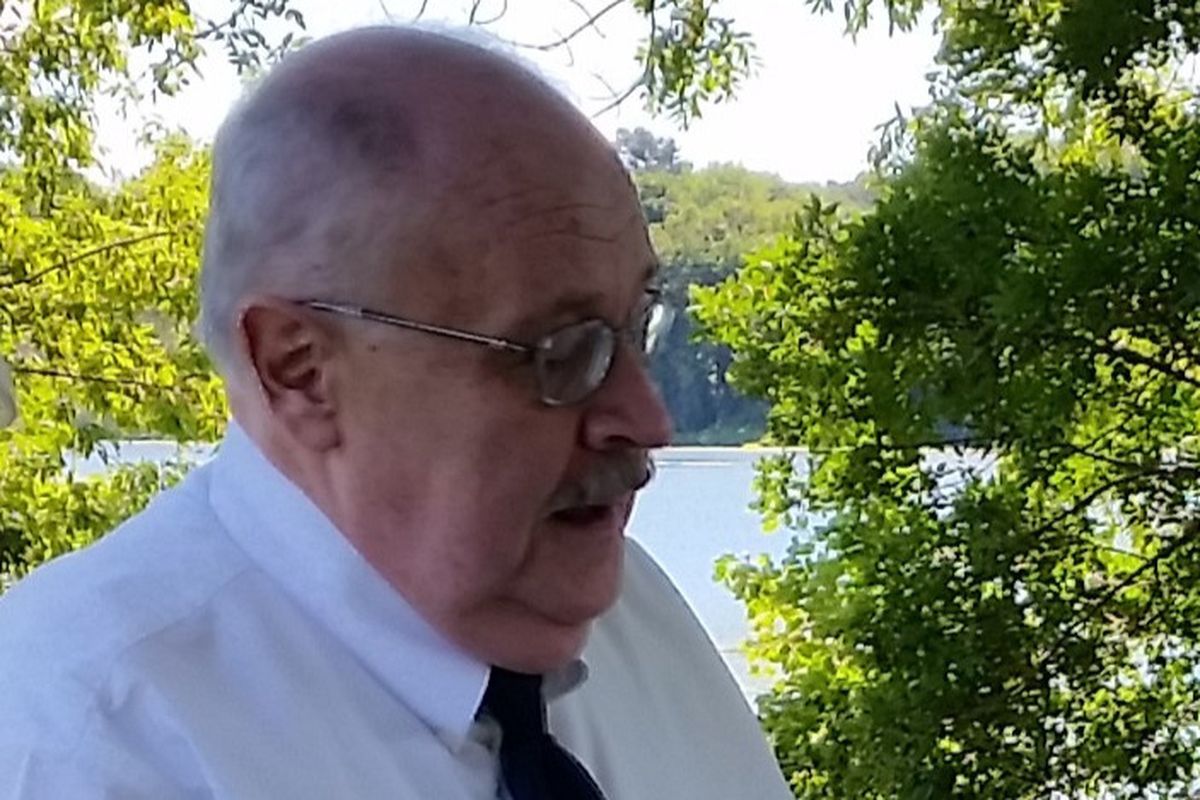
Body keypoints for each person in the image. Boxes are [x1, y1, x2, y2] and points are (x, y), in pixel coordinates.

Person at [0, 26, 792, 799]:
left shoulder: (640, 616)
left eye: (638, 324)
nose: (647, 419)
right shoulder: (85, 741)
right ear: (300, 371)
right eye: (558, 352)